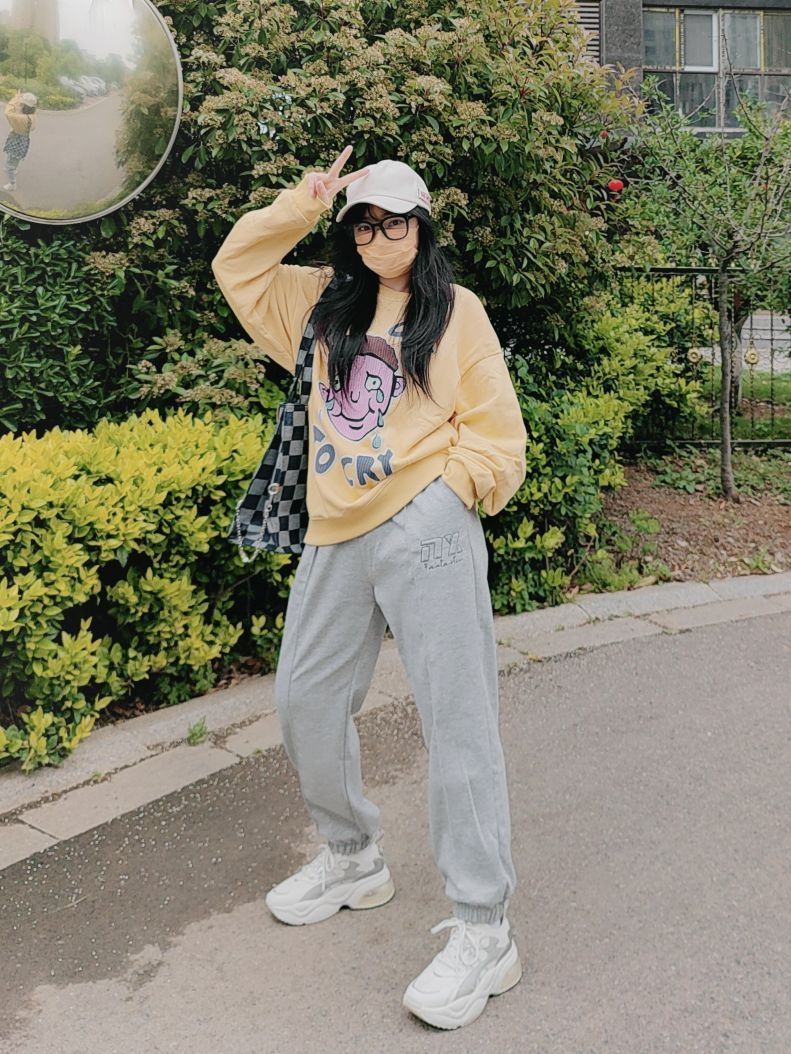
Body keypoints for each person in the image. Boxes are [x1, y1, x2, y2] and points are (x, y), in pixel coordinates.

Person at [211, 147, 527, 1031]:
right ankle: (352, 858)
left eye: (392, 222)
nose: (376, 237)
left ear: (420, 227)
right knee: (304, 699)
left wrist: (448, 495)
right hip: (335, 530)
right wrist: (301, 202)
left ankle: (484, 928)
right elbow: (236, 266)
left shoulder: (453, 311)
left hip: (426, 528)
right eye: (362, 223)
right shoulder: (320, 303)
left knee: (457, 721)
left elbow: (498, 435)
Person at [3, 89, 37, 192]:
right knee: (16, 159)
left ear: (23, 106)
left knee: (8, 165)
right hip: (23, 141)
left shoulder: (21, 119)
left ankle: (12, 184)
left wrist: (15, 98)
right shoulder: (32, 116)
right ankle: (14, 169)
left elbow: (8, 113)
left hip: (16, 141)